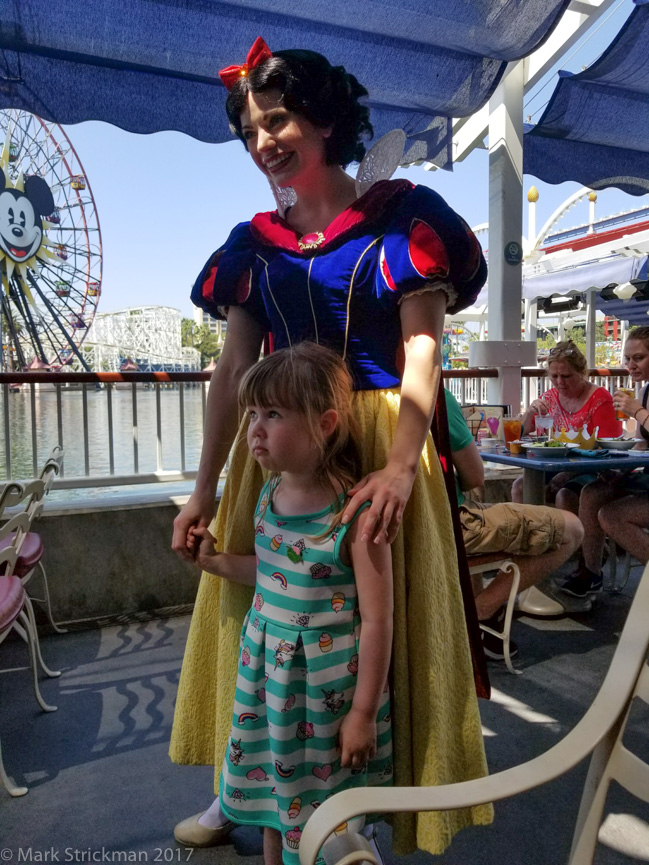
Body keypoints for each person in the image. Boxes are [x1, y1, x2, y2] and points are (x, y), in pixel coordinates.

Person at [170, 37, 492, 856]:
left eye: (275, 119)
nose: (262, 142)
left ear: (323, 120)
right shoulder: (253, 244)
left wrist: (395, 464)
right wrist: (204, 489)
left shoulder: (400, 216)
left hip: (384, 438)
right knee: (251, 611)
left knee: (382, 622)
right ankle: (243, 787)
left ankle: (366, 805)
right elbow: (232, 369)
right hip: (277, 449)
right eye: (250, 129)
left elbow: (423, 350)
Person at [188, 344, 393, 865]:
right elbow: (274, 573)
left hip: (325, 694)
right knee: (275, 808)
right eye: (252, 413)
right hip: (268, 684)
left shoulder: (358, 515)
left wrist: (363, 713)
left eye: (273, 414)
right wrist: (218, 565)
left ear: (325, 424)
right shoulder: (267, 492)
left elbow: (377, 618)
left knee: (327, 813)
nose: (254, 428)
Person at [445, 389, 584, 657]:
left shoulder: (366, 398)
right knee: (572, 528)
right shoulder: (436, 396)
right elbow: (474, 476)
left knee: (490, 509)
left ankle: (476, 612)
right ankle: (481, 614)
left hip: (404, 527)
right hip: (452, 522)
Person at [561, 327, 649, 597]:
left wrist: (638, 411)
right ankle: (591, 573)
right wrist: (620, 465)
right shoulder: (645, 392)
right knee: (593, 492)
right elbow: (642, 444)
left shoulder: (640, 401)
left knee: (610, 515)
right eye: (627, 359)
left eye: (639, 358)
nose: (630, 366)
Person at [514, 341, 621, 512]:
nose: (559, 382)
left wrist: (568, 473)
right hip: (557, 466)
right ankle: (531, 536)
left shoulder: (600, 399)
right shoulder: (550, 397)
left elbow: (609, 450)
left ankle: (570, 538)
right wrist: (529, 412)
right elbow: (520, 433)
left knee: (565, 494)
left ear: (582, 373)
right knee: (520, 486)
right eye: (554, 376)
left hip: (594, 470)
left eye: (566, 376)